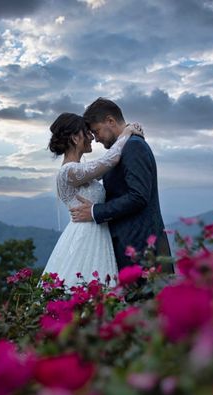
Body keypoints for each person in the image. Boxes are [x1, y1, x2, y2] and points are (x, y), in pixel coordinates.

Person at [70, 98, 173, 273]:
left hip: (140, 248)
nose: (95, 139)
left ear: (110, 121)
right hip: (132, 246)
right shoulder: (122, 149)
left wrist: (96, 211)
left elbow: (138, 196)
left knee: (145, 300)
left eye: (96, 131)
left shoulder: (133, 147)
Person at [42, 112, 142, 288]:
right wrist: (126, 133)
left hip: (97, 233)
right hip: (84, 236)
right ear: (74, 138)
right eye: (87, 133)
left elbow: (107, 167)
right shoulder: (69, 171)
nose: (91, 137)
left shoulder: (81, 171)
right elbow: (111, 159)